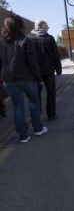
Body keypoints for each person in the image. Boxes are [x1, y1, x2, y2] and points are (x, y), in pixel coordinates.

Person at [0, 15, 48, 143]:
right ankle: (38, 129)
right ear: (20, 25)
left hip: (9, 80)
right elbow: (33, 63)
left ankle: (23, 136)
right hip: (27, 78)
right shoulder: (25, 40)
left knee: (18, 106)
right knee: (34, 102)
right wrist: (39, 79)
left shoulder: (1, 42)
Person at [28, 20, 62, 121]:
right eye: (47, 26)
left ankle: (37, 116)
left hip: (34, 72)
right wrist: (58, 69)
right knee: (51, 93)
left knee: (35, 95)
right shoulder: (49, 38)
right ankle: (51, 115)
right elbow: (56, 55)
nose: (48, 28)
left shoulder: (28, 38)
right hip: (48, 70)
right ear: (42, 26)